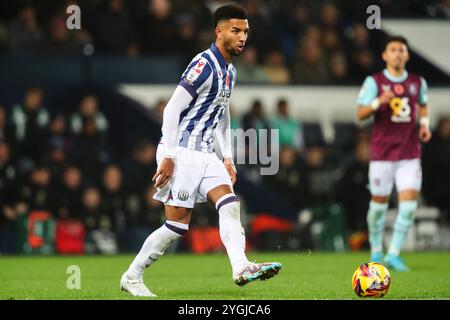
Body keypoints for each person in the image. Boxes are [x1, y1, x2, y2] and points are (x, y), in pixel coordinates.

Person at [120, 4, 281, 297]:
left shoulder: (229, 71)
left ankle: (241, 266)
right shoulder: (203, 64)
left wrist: (228, 157)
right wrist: (168, 155)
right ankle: (132, 276)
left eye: (245, 31)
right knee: (176, 227)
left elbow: (222, 114)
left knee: (230, 204)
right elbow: (171, 110)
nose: (242, 37)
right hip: (180, 151)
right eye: (236, 31)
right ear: (219, 32)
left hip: (206, 155)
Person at [356, 35, 432, 271]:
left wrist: (425, 125)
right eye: (393, 49)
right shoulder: (374, 82)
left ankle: (394, 253)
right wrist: (379, 102)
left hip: (409, 154)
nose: (398, 53)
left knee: (409, 206)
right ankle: (376, 250)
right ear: (385, 55)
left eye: (402, 49)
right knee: (378, 207)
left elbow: (423, 104)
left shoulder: (418, 82)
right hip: (382, 154)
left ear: (407, 55)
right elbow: (360, 114)